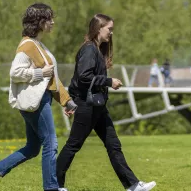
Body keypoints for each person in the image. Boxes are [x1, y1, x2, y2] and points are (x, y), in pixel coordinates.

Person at [0, 3, 77, 191]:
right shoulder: (28, 46)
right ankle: (51, 188)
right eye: (49, 18)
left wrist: (67, 100)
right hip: (36, 102)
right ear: (39, 21)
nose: (52, 22)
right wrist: (39, 73)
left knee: (33, 147)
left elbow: (52, 76)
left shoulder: (39, 45)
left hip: (39, 100)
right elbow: (15, 72)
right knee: (51, 143)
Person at [56, 14, 156, 191]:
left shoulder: (96, 50)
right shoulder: (88, 50)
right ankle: (55, 185)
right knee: (74, 145)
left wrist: (70, 102)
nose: (111, 33)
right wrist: (108, 81)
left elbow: (76, 79)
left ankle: (133, 185)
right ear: (98, 28)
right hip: (87, 106)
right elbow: (83, 77)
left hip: (98, 106)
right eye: (109, 29)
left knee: (113, 144)